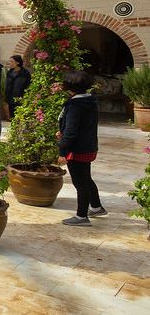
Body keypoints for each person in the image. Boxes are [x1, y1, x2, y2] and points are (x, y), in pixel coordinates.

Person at [57, 70, 106, 226]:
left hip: (78, 149)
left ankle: (81, 216)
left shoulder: (75, 105)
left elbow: (72, 132)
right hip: (88, 146)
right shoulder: (89, 100)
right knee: (86, 177)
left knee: (80, 183)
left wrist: (62, 151)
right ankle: (97, 207)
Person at [5, 54, 31, 120]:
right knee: (13, 118)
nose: (9, 63)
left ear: (17, 62)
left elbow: (28, 85)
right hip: (10, 99)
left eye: (11, 61)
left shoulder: (25, 73)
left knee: (21, 118)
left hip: (21, 98)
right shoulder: (9, 73)